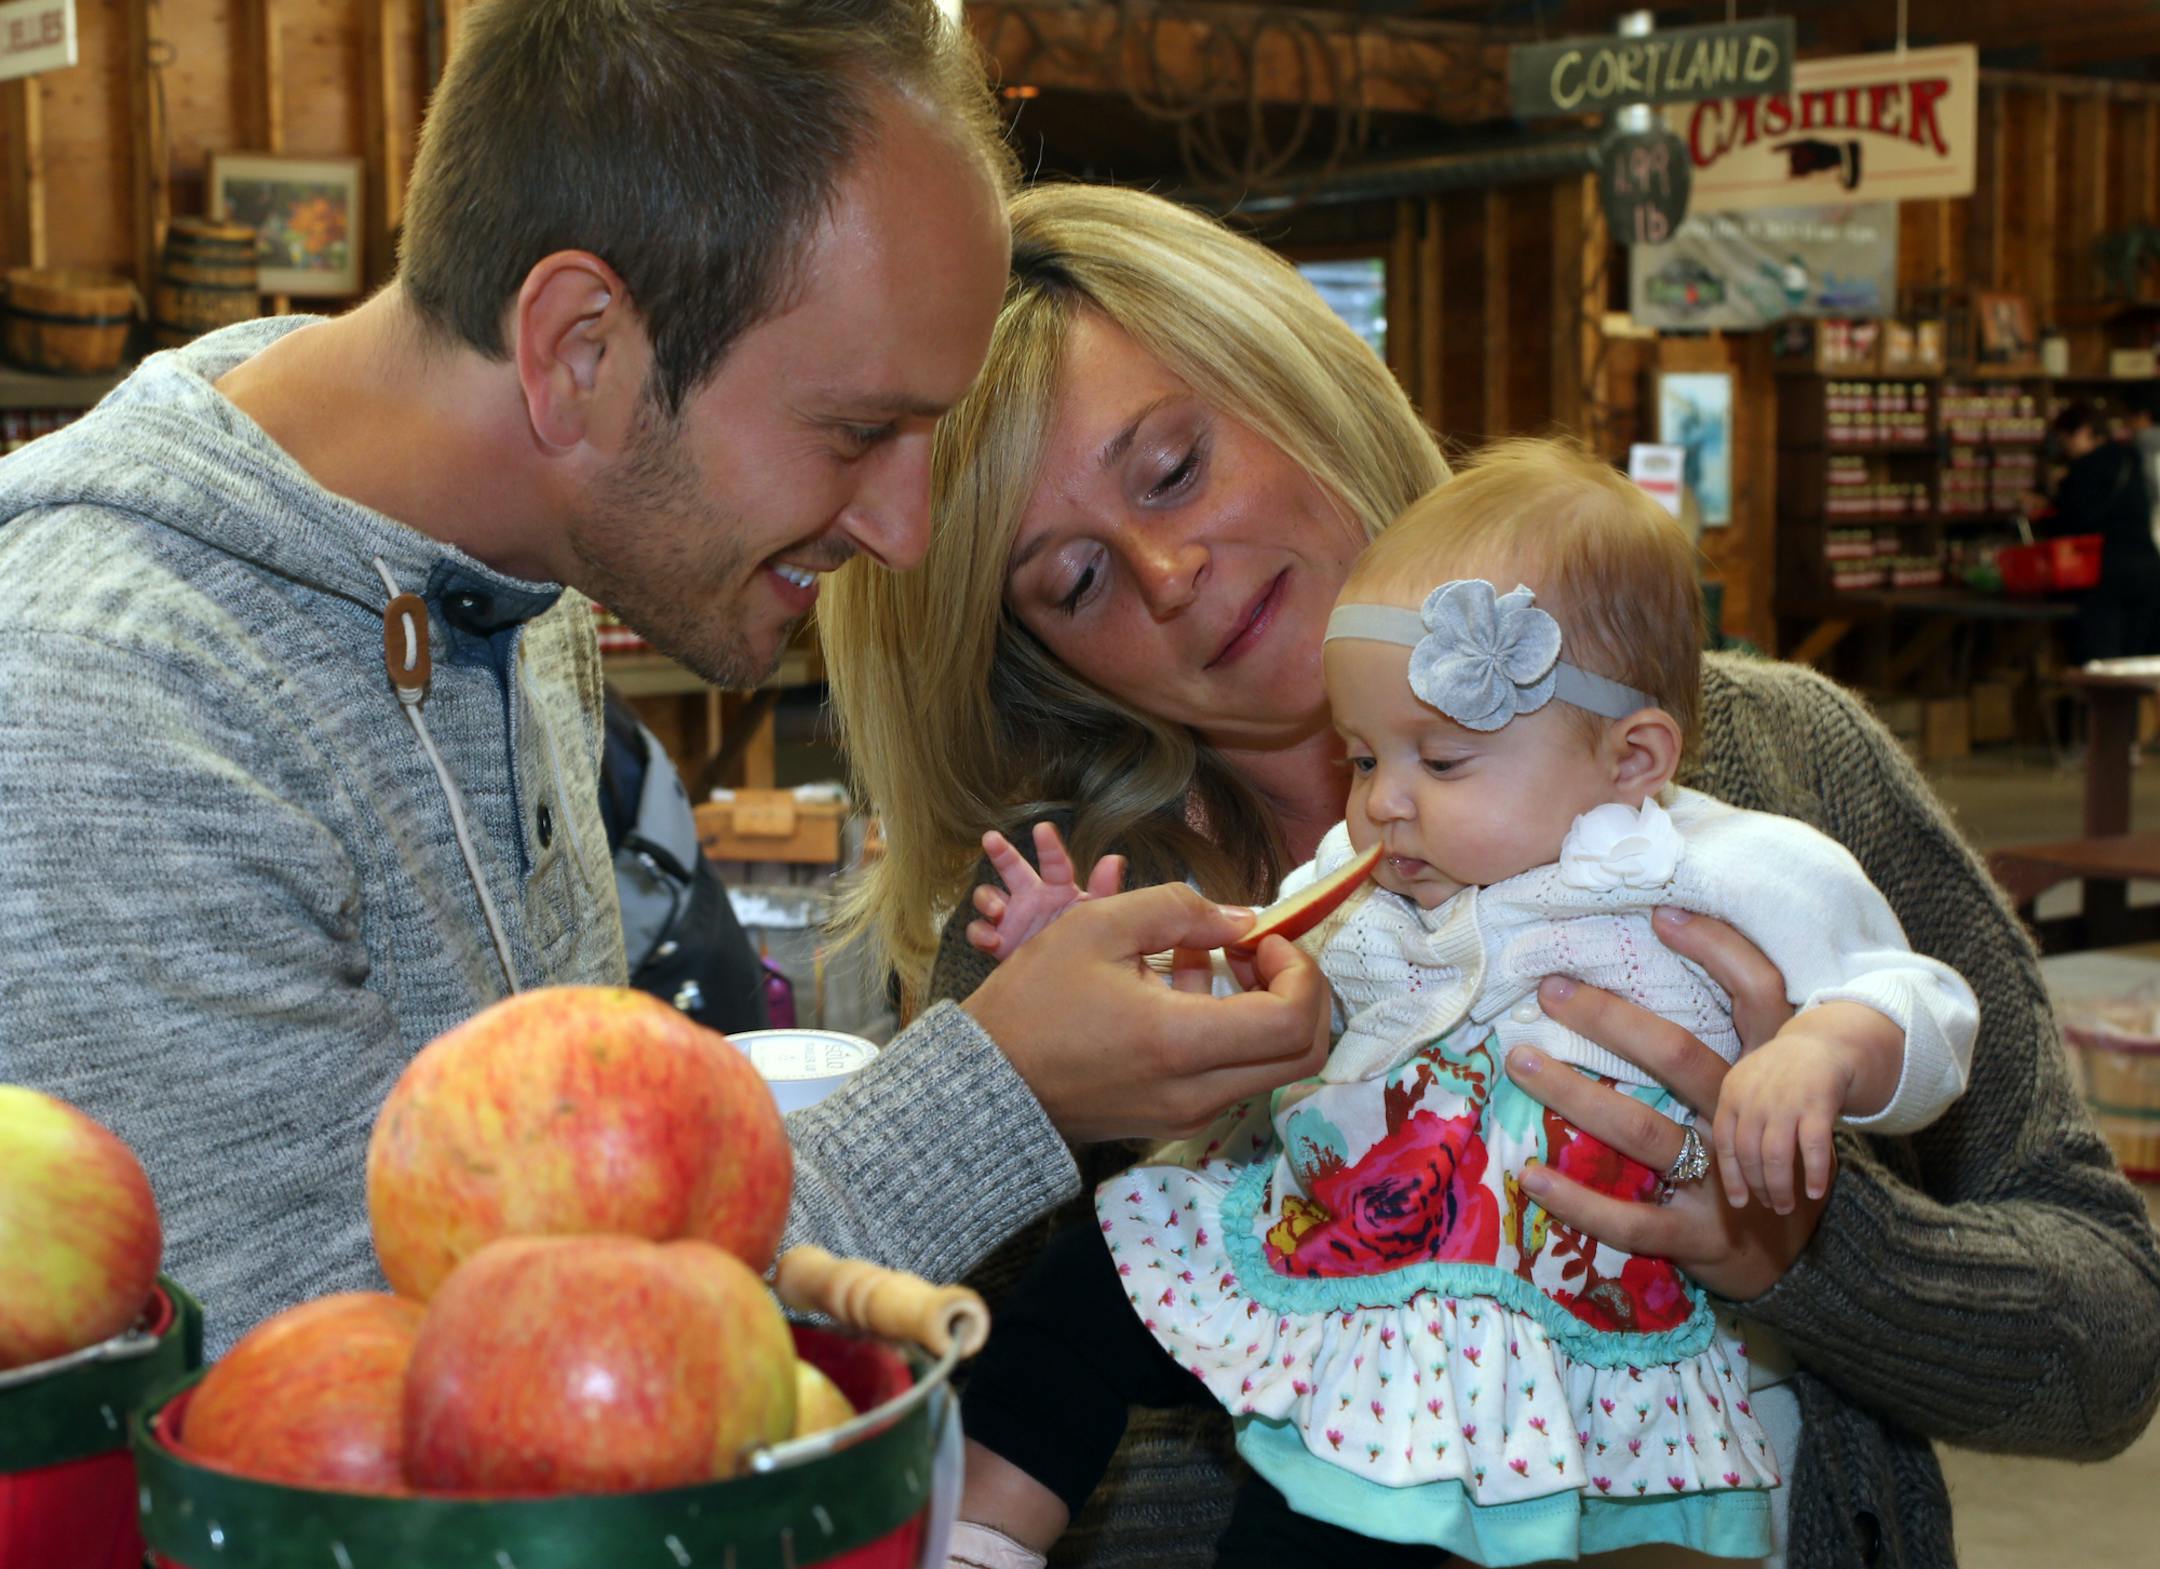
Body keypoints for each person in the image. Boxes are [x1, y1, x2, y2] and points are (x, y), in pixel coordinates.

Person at [820, 182, 2160, 1568]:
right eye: (1075, 579)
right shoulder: (1071, 951)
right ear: (1037, 654)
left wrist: (1811, 1243)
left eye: (1173, 468)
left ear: (1298, 382)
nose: (1170, 572)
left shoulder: (1774, 772)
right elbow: (973, 1392)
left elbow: (2111, 1336)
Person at [0, 0, 1329, 1356]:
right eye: (860, 430)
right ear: (581, 349)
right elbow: (375, 1407)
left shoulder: (517, 594)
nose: (908, 532)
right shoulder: (104, 720)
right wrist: (999, 1093)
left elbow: (565, 1249)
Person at [942, 441, 1980, 1567]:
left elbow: (1917, 999)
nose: (1382, 804)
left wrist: (1824, 1054)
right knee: (1094, 1278)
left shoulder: (1721, 863)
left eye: (1439, 761)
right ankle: (979, 1536)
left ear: (1632, 758)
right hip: (1336, 1246)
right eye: (1361, 756)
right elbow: (1252, 984)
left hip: (1510, 1308)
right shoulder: (1366, 874)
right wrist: (1113, 974)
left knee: (1332, 1526)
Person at [2029, 401, 2160, 664]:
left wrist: (2048, 505)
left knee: (2103, 664)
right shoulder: (2130, 459)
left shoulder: (2084, 470)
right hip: (2148, 571)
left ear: (2083, 432)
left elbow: (2072, 522)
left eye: (2065, 439)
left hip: (2106, 576)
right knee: (2141, 664)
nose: (2065, 448)